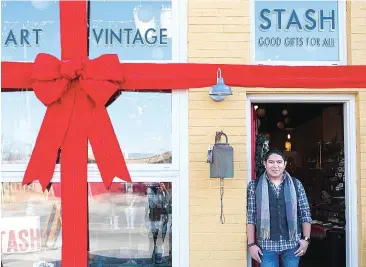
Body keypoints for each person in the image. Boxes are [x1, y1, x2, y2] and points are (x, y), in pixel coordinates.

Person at [247, 148, 312, 267]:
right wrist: (251, 245)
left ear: (285, 164)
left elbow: (305, 213)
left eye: (279, 162)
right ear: (264, 164)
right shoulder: (254, 186)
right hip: (267, 246)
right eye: (271, 162)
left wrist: (306, 240)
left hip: (292, 245)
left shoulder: (296, 184)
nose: (275, 166)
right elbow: (251, 217)